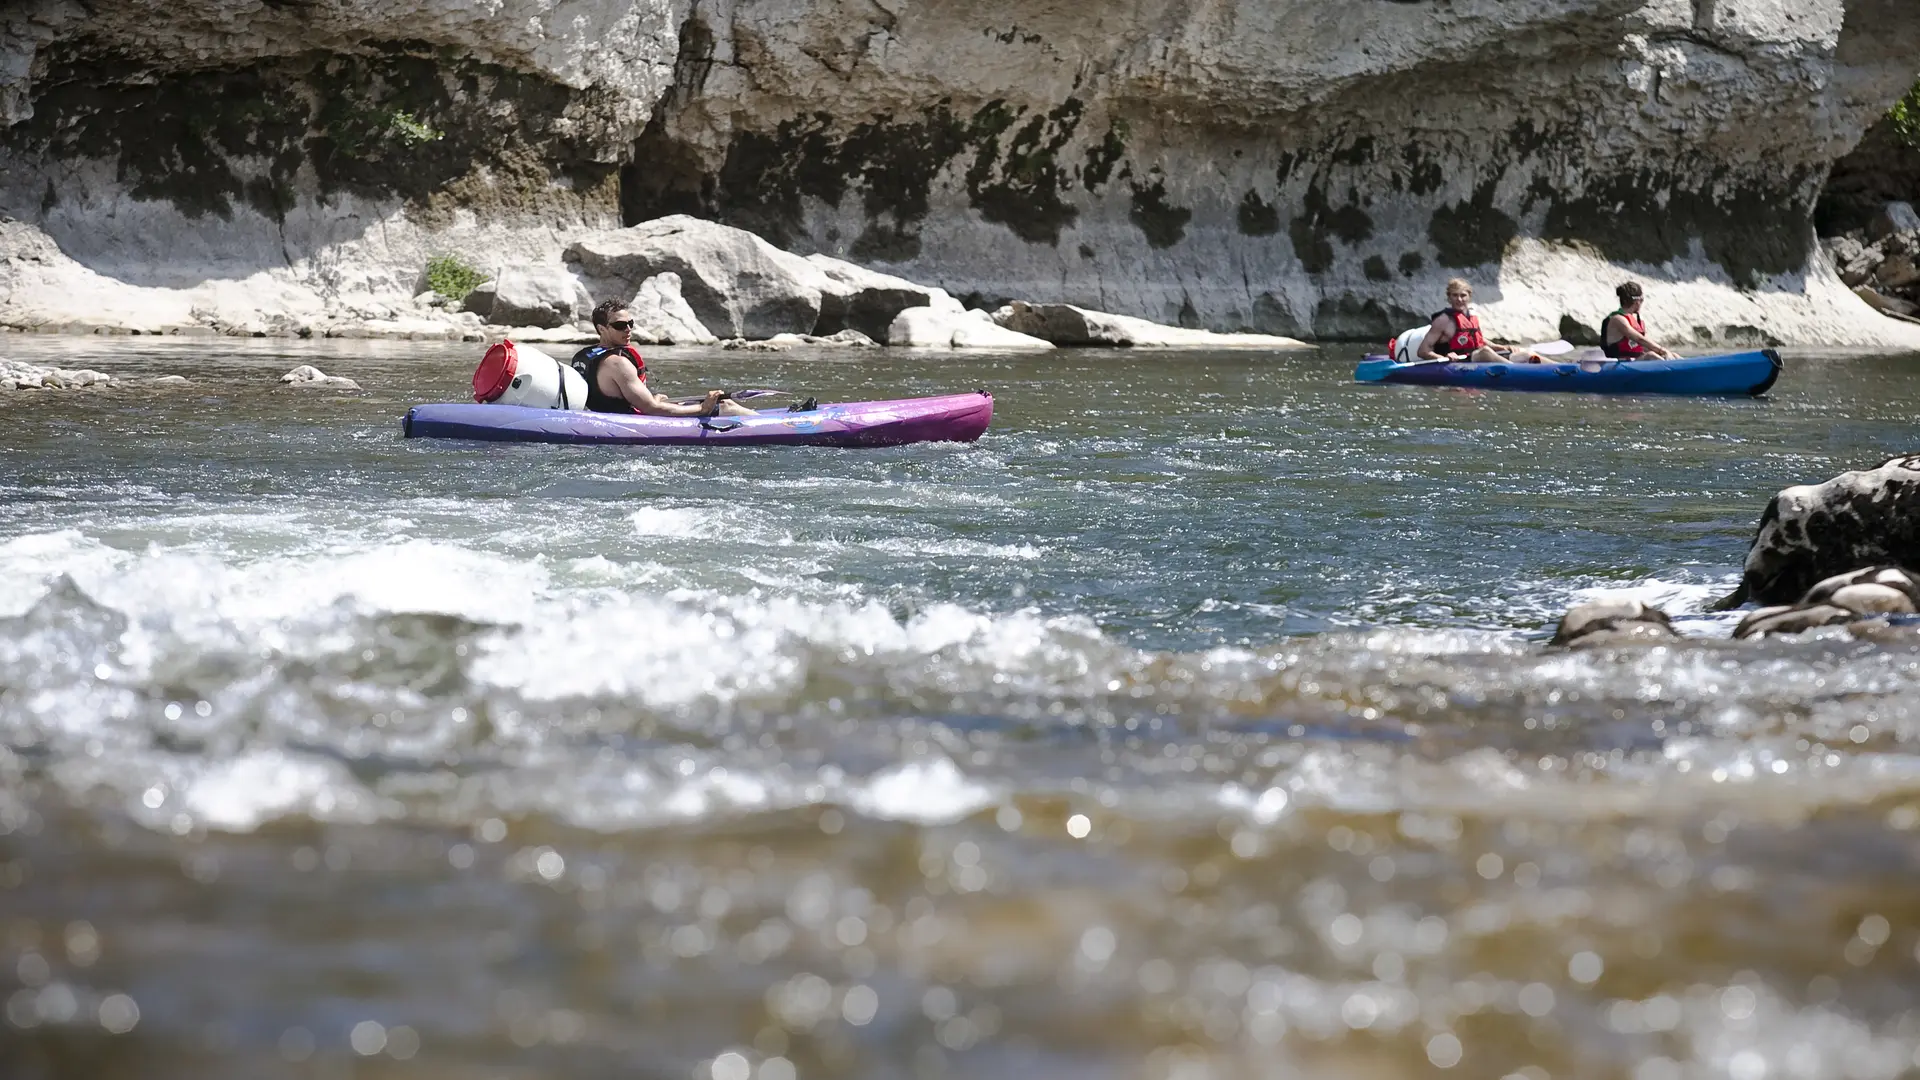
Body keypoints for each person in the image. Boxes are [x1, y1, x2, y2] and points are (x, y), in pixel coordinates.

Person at [569, 300, 755, 416]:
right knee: (725, 405)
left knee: (667, 400)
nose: (628, 329)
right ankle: (774, 424)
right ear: (602, 329)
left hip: (606, 414)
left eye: (630, 323)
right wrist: (702, 409)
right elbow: (650, 409)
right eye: (620, 325)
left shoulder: (583, 356)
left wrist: (653, 399)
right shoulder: (617, 363)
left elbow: (612, 398)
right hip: (632, 420)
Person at [1416, 279, 1543, 363]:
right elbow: (1423, 351)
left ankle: (1560, 368)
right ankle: (1518, 372)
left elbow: (1479, 341)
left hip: (1476, 358)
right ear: (1449, 298)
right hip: (1458, 362)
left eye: (1463, 295)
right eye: (1454, 295)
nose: (1459, 299)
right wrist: (1444, 358)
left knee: (1525, 354)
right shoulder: (1442, 320)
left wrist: (1504, 347)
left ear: (1469, 297)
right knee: (1485, 352)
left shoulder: (1471, 316)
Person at [1600, 282, 1678, 360]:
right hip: (1618, 366)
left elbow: (1644, 345)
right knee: (1651, 356)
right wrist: (1662, 350)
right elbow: (1640, 339)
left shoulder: (1635, 319)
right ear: (1637, 301)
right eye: (1642, 300)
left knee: (1673, 355)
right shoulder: (1618, 319)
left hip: (1632, 362)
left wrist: (1667, 353)